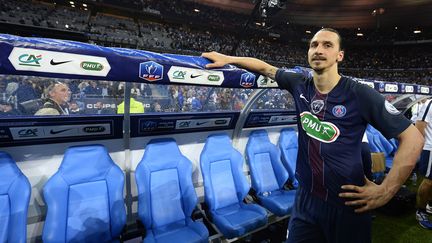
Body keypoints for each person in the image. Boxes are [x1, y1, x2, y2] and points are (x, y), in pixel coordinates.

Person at [202, 28, 423, 243]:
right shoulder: (299, 84)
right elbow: (266, 68)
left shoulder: (359, 94)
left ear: (340, 55)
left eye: (327, 45)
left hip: (347, 204)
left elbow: (413, 138)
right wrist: (227, 58)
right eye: (314, 45)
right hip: (306, 199)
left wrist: (386, 191)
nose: (319, 49)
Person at [415, 98, 432, 229]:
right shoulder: (430, 103)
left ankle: (429, 204)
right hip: (431, 148)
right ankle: (420, 211)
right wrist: (418, 148)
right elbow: (419, 125)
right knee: (428, 181)